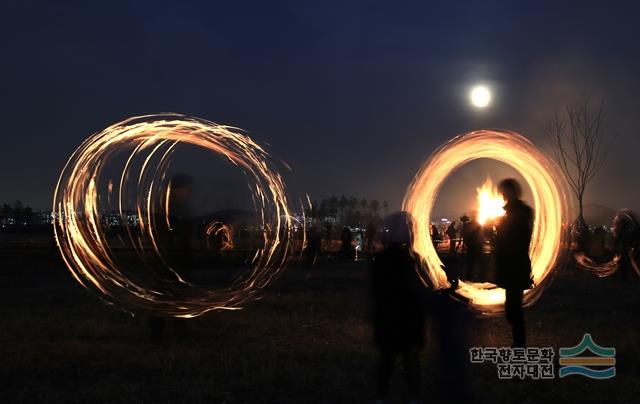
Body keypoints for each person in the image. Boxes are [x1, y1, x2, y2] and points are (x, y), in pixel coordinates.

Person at [371, 212, 426, 403]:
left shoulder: (380, 261)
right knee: (411, 361)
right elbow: (417, 293)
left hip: (388, 321)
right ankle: (413, 397)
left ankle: (382, 396)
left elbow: (376, 292)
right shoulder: (412, 262)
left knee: (387, 360)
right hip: (408, 321)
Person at [494, 178, 533, 348]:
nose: (502, 195)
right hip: (513, 265)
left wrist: (500, 232)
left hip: (515, 266)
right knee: (512, 307)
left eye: (504, 191)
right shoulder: (513, 212)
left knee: (513, 308)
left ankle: (519, 347)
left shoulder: (518, 213)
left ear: (511, 191)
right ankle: (519, 345)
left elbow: (514, 240)